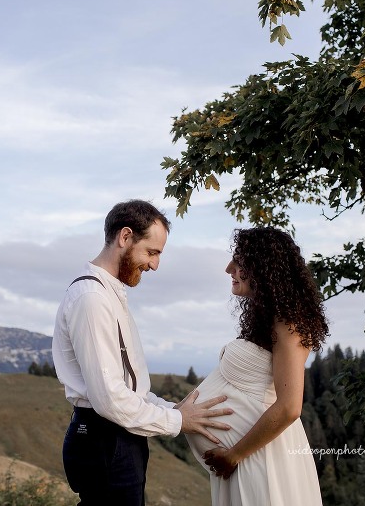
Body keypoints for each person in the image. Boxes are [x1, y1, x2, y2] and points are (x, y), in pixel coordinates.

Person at [52, 199, 233, 506]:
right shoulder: (92, 298)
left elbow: (129, 387)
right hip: (104, 437)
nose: (154, 264)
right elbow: (109, 398)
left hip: (117, 436)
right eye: (152, 252)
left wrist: (173, 409)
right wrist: (177, 422)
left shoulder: (109, 293)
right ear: (125, 238)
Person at [184, 227, 329, 506]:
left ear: (263, 268)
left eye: (238, 262)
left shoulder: (289, 323)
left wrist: (235, 454)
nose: (229, 268)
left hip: (259, 458)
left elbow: (289, 407)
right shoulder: (268, 319)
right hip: (248, 459)